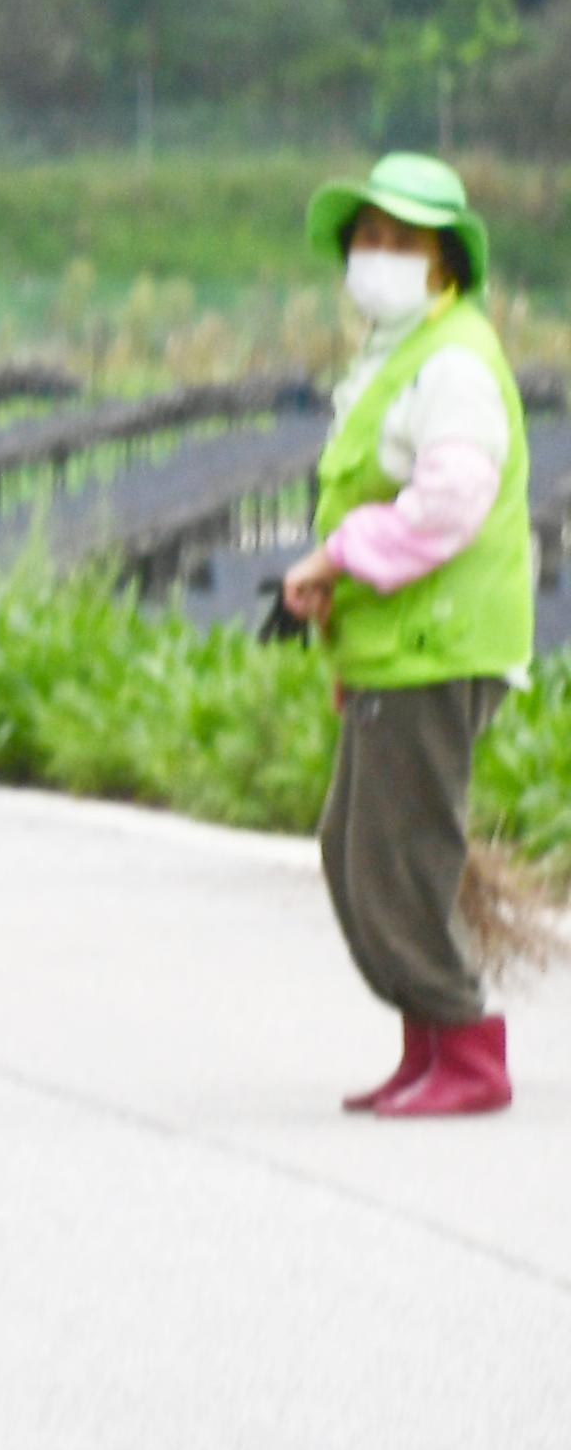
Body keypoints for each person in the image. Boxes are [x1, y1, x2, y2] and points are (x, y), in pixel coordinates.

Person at [279, 154, 535, 1118]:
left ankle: (466, 1050)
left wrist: (335, 558)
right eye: (368, 240)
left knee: (399, 854)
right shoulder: (400, 353)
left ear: (445, 263)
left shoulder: (454, 362)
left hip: (439, 648)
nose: (378, 258)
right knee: (359, 848)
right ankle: (427, 1044)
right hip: (399, 646)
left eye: (402, 243)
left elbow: (452, 500)